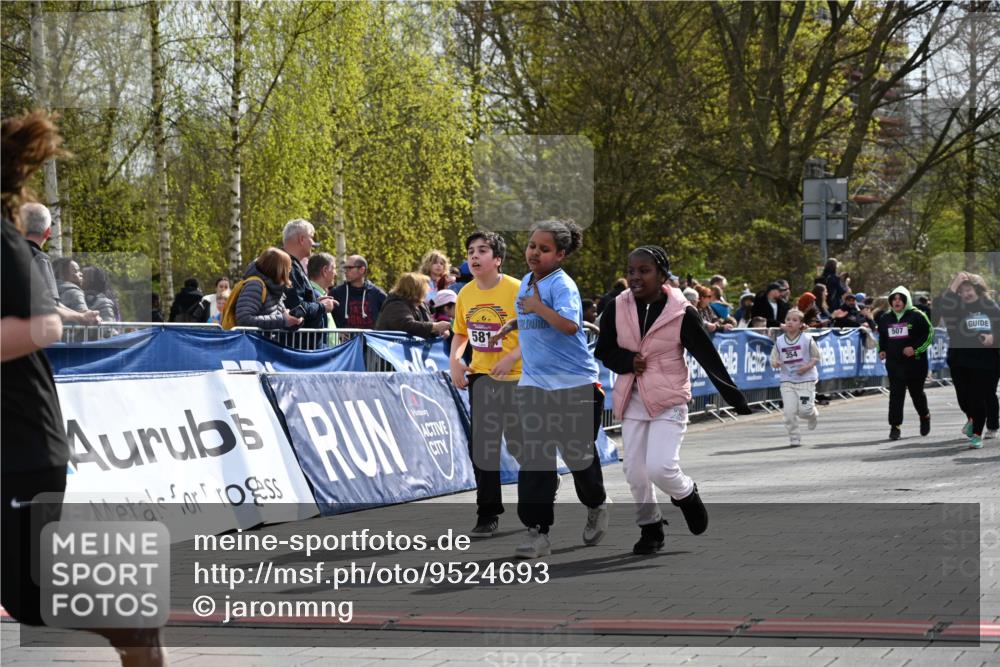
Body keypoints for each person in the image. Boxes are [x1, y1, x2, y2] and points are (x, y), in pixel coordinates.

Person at [2, 110, 166, 665]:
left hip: (21, 443)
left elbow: (46, 325)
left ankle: (132, 627)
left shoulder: (5, 243)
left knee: (30, 598)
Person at [595, 245, 750, 554]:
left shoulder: (681, 312)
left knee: (661, 467)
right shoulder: (616, 306)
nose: (636, 277)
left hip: (669, 399)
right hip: (633, 398)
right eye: (631, 271)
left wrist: (736, 399)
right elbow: (603, 351)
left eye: (644, 270)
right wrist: (627, 361)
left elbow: (708, 357)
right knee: (635, 472)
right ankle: (650, 528)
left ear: (662, 275)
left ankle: (686, 494)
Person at [489, 219, 609, 559]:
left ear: (561, 254)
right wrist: (510, 325)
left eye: (544, 249)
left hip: (574, 385)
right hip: (534, 386)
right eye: (531, 246)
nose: (534, 253)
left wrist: (539, 307)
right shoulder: (527, 281)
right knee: (535, 459)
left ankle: (596, 503)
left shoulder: (562, 284)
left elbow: (571, 326)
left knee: (577, 455)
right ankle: (537, 532)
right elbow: (532, 318)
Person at [448, 231, 523, 539]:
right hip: (482, 376)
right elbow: (461, 333)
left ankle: (542, 483)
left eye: (482, 251)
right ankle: (487, 514)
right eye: (470, 252)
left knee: (520, 443)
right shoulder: (465, 293)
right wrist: (455, 360)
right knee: (483, 446)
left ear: (498, 259)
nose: (474, 256)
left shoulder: (518, 290)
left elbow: (535, 334)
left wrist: (511, 357)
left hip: (517, 377)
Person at [937, 272, 1000, 449]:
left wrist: (992, 338)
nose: (965, 294)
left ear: (977, 290)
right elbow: (943, 305)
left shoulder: (990, 306)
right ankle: (972, 419)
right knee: (963, 397)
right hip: (960, 359)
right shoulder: (956, 308)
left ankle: (977, 435)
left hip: (984, 360)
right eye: (961, 291)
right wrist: (954, 282)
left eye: (968, 289)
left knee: (978, 397)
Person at [23, 203, 101, 327]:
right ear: (47, 232)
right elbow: (50, 308)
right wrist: (82, 318)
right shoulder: (39, 259)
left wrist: (81, 314)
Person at [876, 285, 934, 441]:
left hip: (916, 363)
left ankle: (925, 415)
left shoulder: (918, 315)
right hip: (895, 364)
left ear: (906, 300)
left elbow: (929, 335)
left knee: (917, 394)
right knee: (896, 395)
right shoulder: (885, 318)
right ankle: (895, 426)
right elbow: (882, 337)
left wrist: (915, 349)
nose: (897, 302)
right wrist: (881, 350)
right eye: (894, 299)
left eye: (900, 298)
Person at [770, 308, 820, 447]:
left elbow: (816, 357)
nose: (790, 322)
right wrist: (776, 363)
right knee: (789, 412)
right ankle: (794, 436)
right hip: (787, 380)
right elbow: (773, 359)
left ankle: (813, 415)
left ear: (800, 324)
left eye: (794, 320)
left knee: (805, 410)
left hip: (806, 380)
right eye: (788, 319)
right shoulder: (780, 340)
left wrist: (806, 367)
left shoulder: (807, 339)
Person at [281, 219, 335, 347]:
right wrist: (322, 306)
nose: (313, 243)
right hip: (297, 349)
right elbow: (296, 309)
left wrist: (315, 302)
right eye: (311, 238)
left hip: (300, 347)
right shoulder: (288, 267)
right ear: (301, 239)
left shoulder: (290, 265)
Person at [234, 247, 303, 330]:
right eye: (288, 268)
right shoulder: (255, 286)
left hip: (263, 342)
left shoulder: (276, 289)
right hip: (253, 342)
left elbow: (279, 321)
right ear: (279, 270)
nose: (289, 272)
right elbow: (244, 319)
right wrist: (282, 320)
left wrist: (293, 321)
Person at [375, 272, 451, 339]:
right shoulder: (395, 305)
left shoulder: (420, 304)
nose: (428, 290)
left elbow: (426, 323)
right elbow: (407, 325)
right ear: (416, 289)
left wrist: (439, 331)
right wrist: (434, 326)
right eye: (425, 287)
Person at [331, 254, 388, 330]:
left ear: (362, 270)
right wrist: (337, 332)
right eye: (345, 268)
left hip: (370, 341)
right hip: (345, 342)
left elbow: (389, 319)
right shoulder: (336, 293)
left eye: (349, 268)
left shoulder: (378, 294)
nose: (346, 271)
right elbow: (329, 321)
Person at [82, 265, 120, 336]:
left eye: (84, 277)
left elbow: (108, 330)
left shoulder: (104, 303)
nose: (81, 279)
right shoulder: (79, 297)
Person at [307, 252, 338, 333]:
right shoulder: (314, 295)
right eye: (334, 268)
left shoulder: (317, 293)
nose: (336, 273)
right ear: (325, 270)